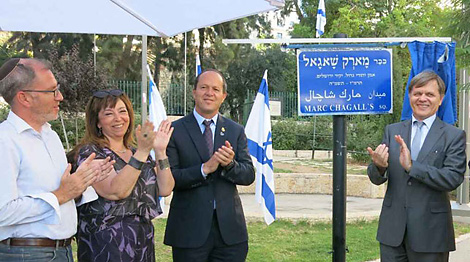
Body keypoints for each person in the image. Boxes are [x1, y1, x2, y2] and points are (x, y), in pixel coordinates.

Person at [0, 58, 113, 261]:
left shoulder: (50, 135)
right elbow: (2, 212)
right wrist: (61, 194)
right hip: (27, 255)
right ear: (24, 98)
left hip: (62, 251)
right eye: (52, 91)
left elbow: (61, 191)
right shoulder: (4, 140)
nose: (59, 97)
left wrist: (82, 181)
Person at [367, 70, 466, 262]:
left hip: (431, 234)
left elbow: (452, 178)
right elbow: (376, 177)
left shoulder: (453, 136)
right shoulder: (393, 130)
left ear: (441, 99)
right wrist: (379, 167)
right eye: (417, 93)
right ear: (410, 96)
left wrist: (413, 167)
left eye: (429, 94)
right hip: (392, 233)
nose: (422, 98)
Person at [69, 89, 175, 262]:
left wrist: (161, 151)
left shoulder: (135, 152)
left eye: (122, 111)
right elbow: (115, 191)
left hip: (142, 241)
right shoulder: (91, 153)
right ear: (98, 122)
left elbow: (165, 188)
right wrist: (142, 152)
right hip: (106, 245)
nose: (118, 118)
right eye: (109, 114)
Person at [164, 69, 255, 262]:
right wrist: (204, 169)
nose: (209, 93)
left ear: (223, 96)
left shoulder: (235, 130)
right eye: (204, 87)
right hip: (189, 232)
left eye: (215, 89)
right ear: (194, 92)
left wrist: (230, 164)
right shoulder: (175, 131)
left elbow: (248, 175)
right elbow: (171, 179)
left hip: (230, 234)